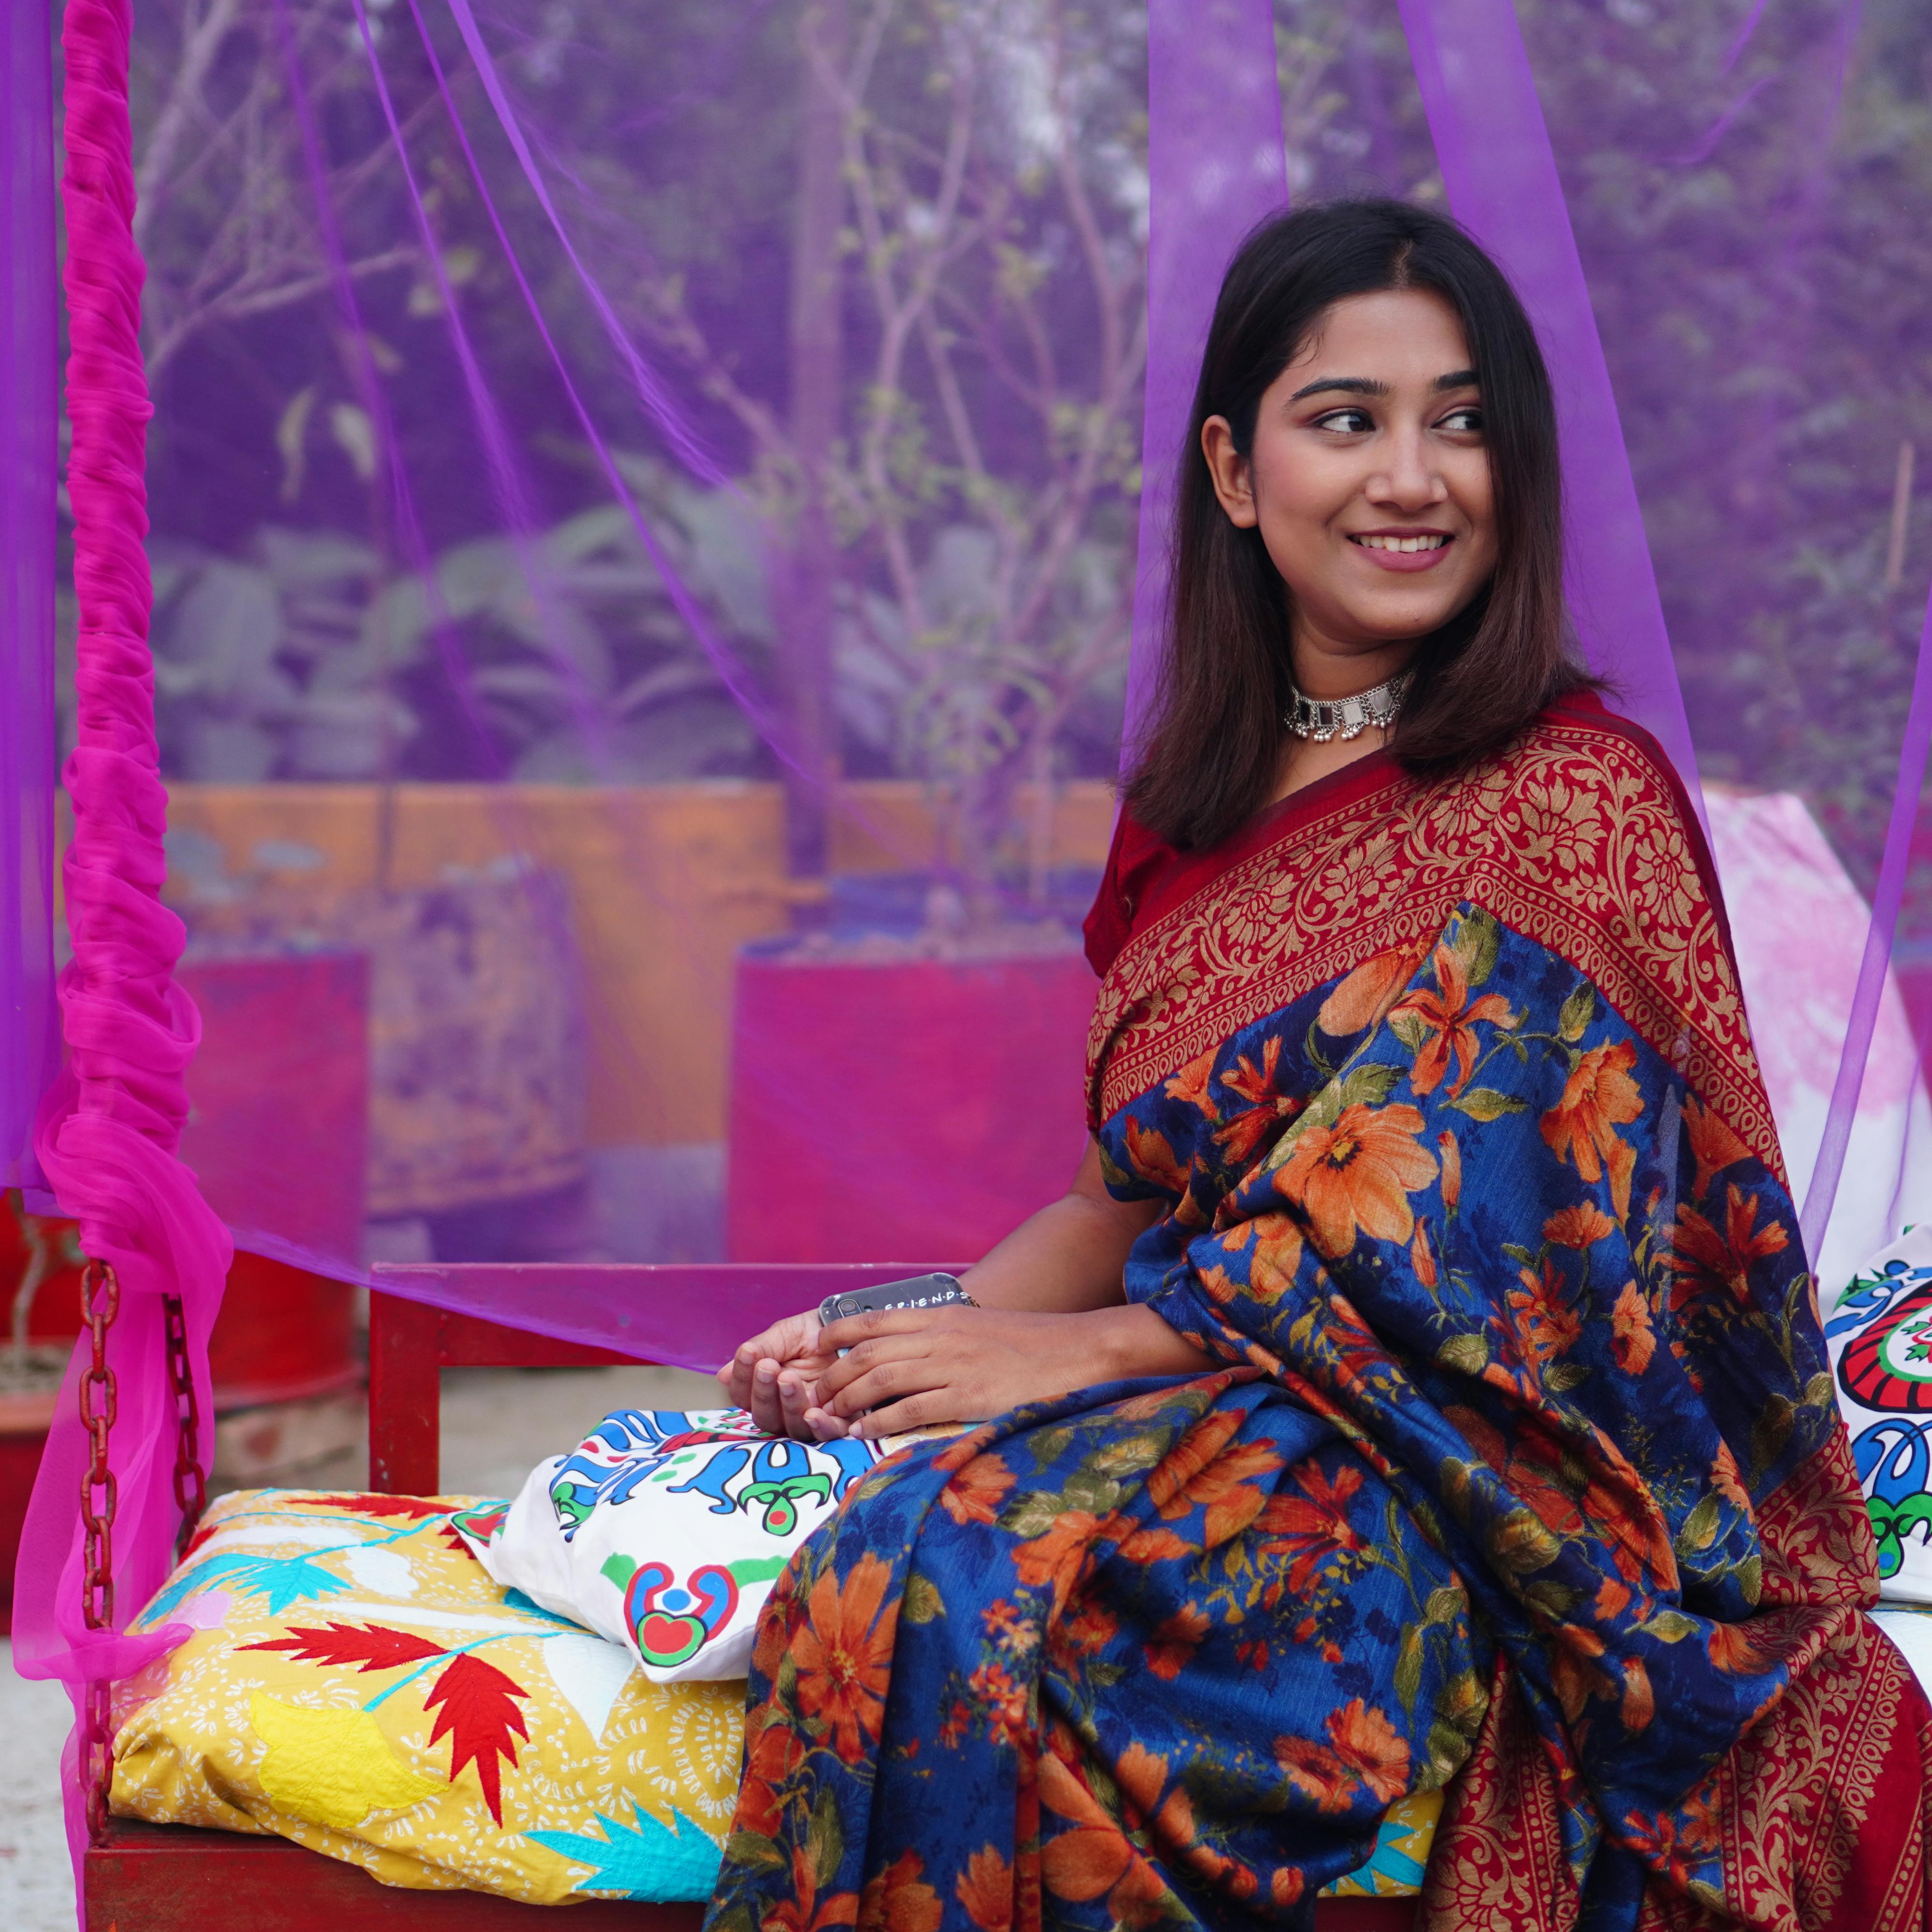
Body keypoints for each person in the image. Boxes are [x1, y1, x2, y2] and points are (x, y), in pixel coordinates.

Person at [704, 200, 1930, 1932]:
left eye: (1465, 421)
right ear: (1233, 467)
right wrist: (889, 1356)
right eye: (1348, 420)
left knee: (1002, 1584)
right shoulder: (1189, 814)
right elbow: (1113, 1195)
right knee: (890, 1548)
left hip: (1472, 1471)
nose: (1412, 476)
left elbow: (1522, 1270)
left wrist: (1077, 1357)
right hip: (1210, 1392)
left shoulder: (1574, 801)